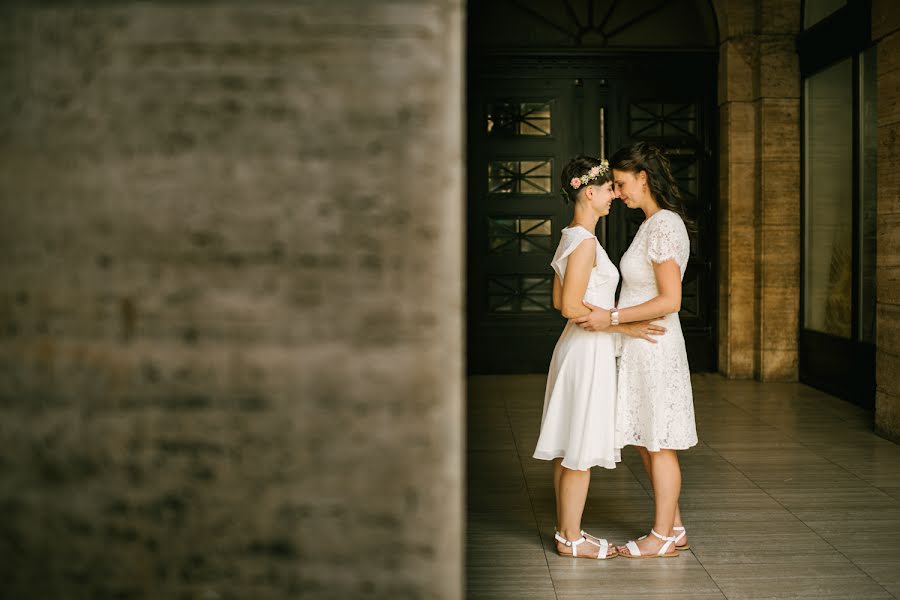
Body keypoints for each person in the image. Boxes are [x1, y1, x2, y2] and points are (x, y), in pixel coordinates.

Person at [532, 155, 667, 560]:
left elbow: (560, 300)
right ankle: (571, 539)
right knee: (580, 448)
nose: (615, 195)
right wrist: (625, 327)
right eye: (610, 189)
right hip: (588, 353)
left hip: (575, 348)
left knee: (568, 444)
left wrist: (599, 317)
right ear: (589, 192)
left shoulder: (571, 235)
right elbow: (571, 305)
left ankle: (568, 531)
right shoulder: (586, 242)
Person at [574, 142, 698, 559]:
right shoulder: (651, 224)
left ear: (644, 178)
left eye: (623, 184)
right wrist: (621, 323)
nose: (619, 192)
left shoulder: (663, 225)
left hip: (656, 344)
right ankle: (674, 527)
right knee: (648, 438)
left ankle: (662, 536)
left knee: (659, 440)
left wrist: (611, 318)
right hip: (642, 344)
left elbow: (671, 300)